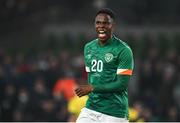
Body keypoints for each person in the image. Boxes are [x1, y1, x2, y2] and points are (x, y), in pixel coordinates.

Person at [75, 8, 134, 123]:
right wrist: (91, 89)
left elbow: (122, 84)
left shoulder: (123, 50)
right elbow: (92, 78)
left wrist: (92, 88)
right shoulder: (88, 48)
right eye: (98, 22)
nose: (101, 26)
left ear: (113, 26)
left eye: (106, 23)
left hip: (115, 111)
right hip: (91, 108)